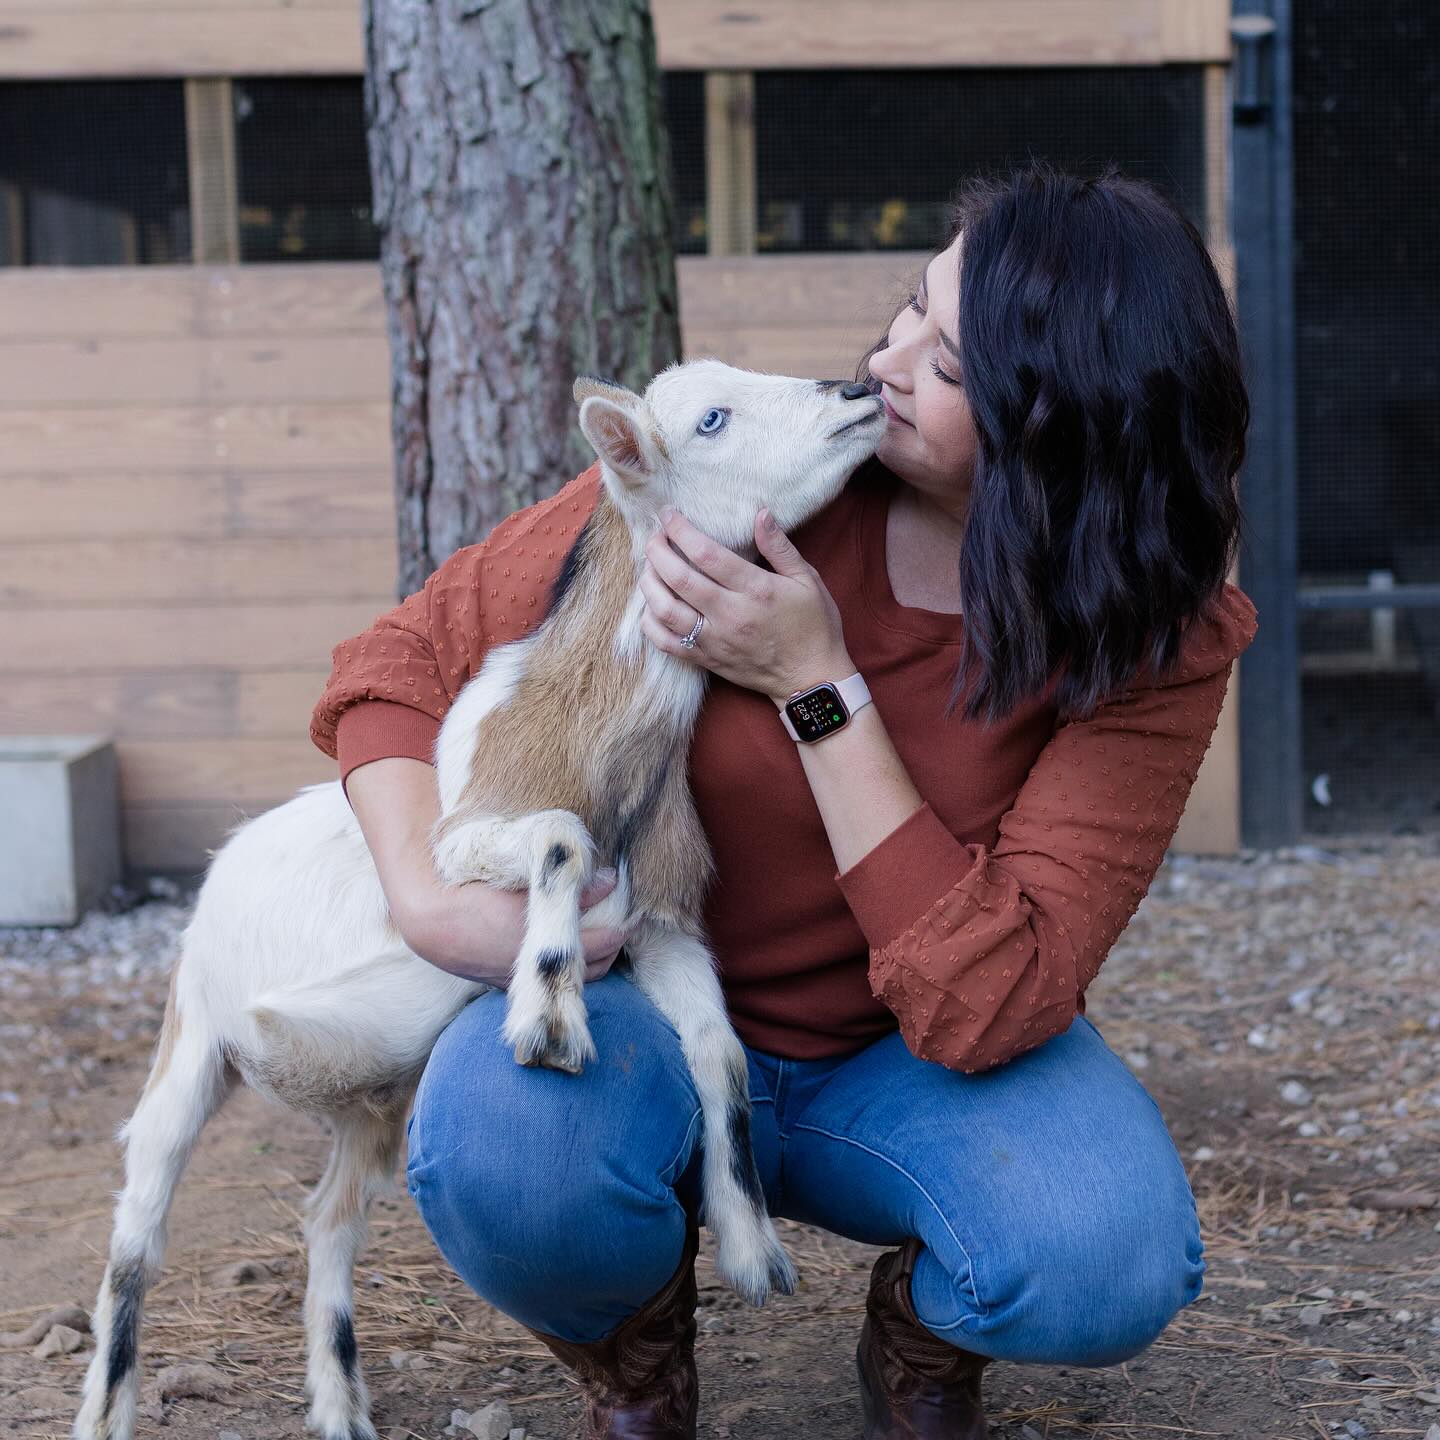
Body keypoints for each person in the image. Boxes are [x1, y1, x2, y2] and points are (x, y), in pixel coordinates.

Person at [309, 162, 1257, 1440]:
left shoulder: (1156, 637)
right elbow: (397, 660)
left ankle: (921, 1341)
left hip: (911, 1065)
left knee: (1105, 1256)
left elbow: (993, 1003)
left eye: (954, 366)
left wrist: (817, 682)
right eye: (910, 307)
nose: (889, 361)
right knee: (497, 1147)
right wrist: (427, 901)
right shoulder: (753, 471)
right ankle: (638, 1361)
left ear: (1070, 422)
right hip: (650, 1016)